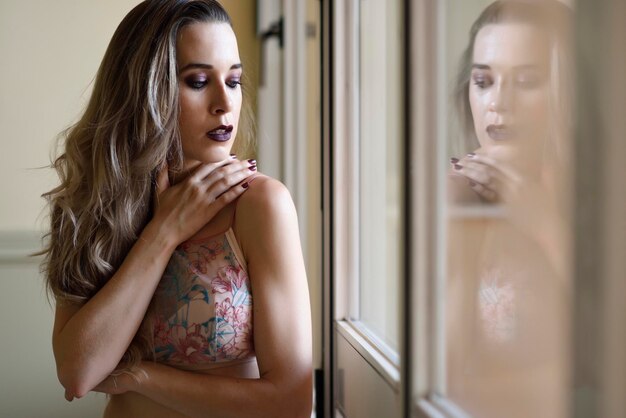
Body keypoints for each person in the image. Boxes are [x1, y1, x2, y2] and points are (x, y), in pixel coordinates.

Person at [40, 1, 313, 417]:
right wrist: (164, 231)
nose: (225, 102)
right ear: (144, 90)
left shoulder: (261, 205)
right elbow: (78, 372)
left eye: (234, 80)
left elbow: (290, 402)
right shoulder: (89, 206)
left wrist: (138, 376)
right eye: (199, 81)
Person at [445, 1, 573, 417]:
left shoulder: (602, 197)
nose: (499, 102)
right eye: (483, 80)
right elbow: (441, 376)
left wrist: (541, 221)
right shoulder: (455, 189)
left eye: (527, 81)